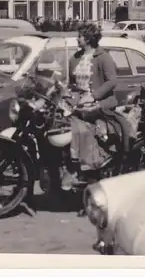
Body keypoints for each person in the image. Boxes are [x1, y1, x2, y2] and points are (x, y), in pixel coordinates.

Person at [61, 23, 118, 190]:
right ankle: (69, 166)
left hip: (100, 103)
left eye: (80, 36)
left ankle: (87, 169)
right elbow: (71, 83)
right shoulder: (76, 57)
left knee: (83, 129)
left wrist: (93, 96)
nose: (77, 39)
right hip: (78, 103)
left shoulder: (103, 56)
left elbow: (112, 81)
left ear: (88, 38)